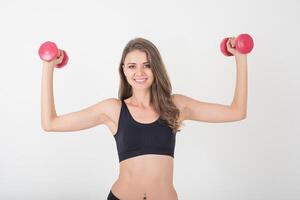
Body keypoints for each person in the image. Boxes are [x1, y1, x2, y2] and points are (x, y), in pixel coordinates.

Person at [41, 37, 247, 200]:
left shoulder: (175, 106)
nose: (139, 72)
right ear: (123, 70)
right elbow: (50, 123)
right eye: (131, 66)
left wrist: (240, 56)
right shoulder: (113, 109)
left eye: (146, 65)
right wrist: (48, 66)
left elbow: (237, 112)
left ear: (155, 68)